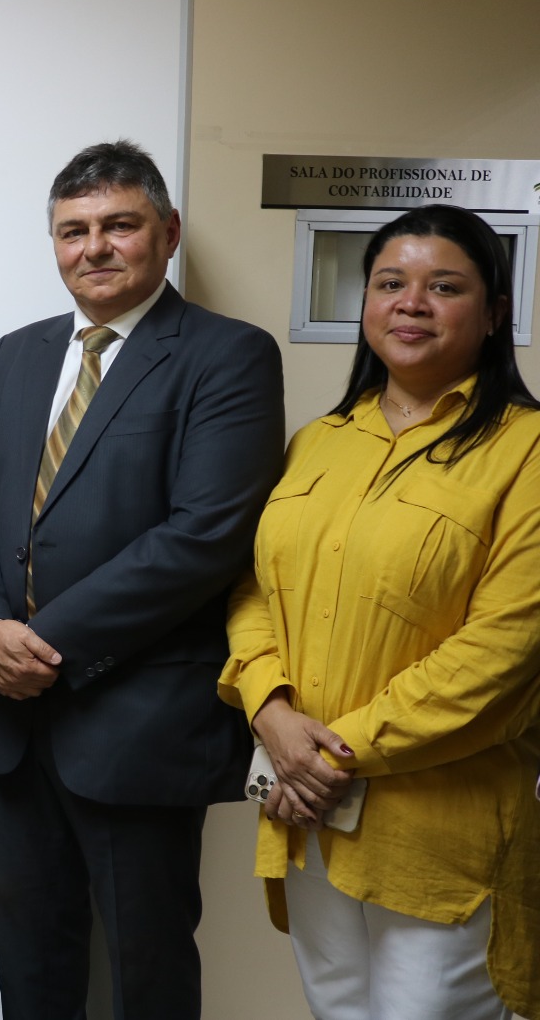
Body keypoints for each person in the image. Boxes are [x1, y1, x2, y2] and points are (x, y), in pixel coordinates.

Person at [0, 140, 284, 1018]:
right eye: (73, 230)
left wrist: (41, 642)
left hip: (140, 724)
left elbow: (205, 535)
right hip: (15, 722)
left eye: (119, 225)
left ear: (168, 233)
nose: (93, 247)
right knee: (31, 965)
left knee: (146, 974)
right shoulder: (18, 354)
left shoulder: (227, 355)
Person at [219, 204, 540, 1020]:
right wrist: (272, 712)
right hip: (308, 816)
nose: (412, 303)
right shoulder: (317, 441)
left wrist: (330, 758)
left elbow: (504, 648)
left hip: (435, 832)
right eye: (390, 283)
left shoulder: (526, 449)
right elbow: (253, 587)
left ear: (496, 313)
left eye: (446, 287)